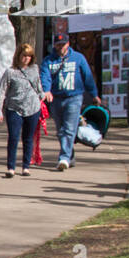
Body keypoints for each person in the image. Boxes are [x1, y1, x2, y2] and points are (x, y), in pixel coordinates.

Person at [40, 29, 101, 170]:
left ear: (68, 44)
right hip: (56, 99)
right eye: (58, 45)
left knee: (68, 129)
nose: (60, 47)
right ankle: (70, 156)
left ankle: (64, 158)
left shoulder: (78, 58)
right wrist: (47, 90)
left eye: (63, 44)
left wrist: (94, 94)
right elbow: (45, 76)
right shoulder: (48, 60)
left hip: (74, 98)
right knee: (61, 130)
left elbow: (87, 77)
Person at [0, 42, 45, 177]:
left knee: (28, 138)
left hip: (33, 108)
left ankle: (26, 166)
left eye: (29, 56)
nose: (26, 58)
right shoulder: (10, 72)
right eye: (24, 56)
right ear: (18, 56)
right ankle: (11, 167)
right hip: (14, 108)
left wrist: (43, 98)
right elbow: (1, 91)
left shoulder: (35, 69)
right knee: (13, 137)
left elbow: (39, 87)